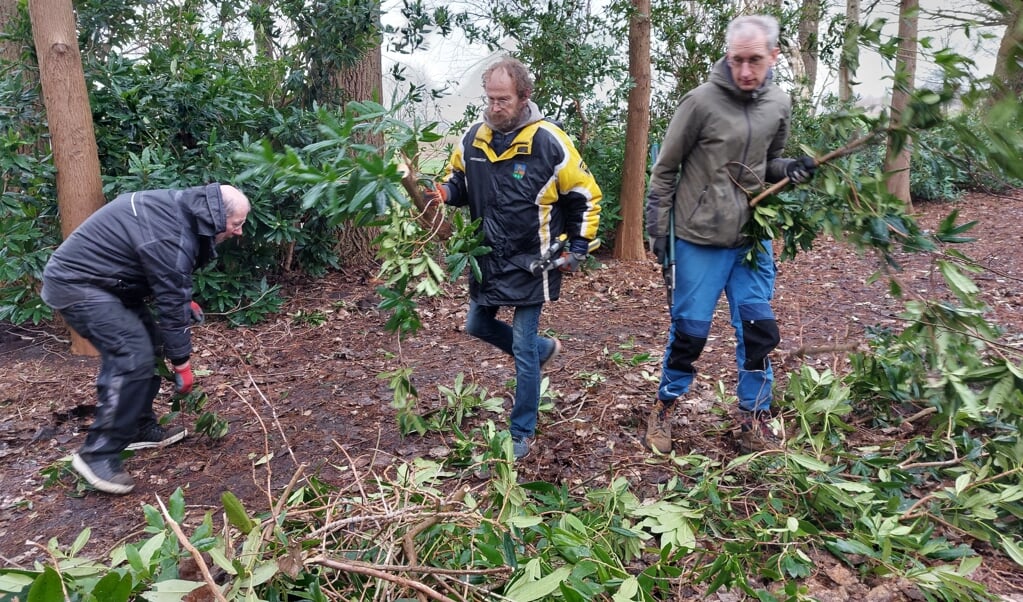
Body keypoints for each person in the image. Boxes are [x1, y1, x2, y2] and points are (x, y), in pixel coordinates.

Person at [643, 15, 816, 455]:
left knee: (759, 329)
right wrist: (658, 232)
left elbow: (769, 164)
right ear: (727, 55)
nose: (744, 71)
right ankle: (664, 405)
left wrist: (792, 170)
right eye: (737, 59)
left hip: (751, 238)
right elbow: (664, 171)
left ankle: (755, 416)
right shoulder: (699, 103)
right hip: (698, 238)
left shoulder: (778, 103)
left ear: (773, 56)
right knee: (690, 332)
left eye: (754, 60)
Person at [426, 57, 602, 460]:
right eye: (489, 99)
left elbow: (586, 197)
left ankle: (521, 431)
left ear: (524, 97)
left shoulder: (549, 141)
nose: (494, 106)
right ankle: (543, 351)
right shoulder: (473, 139)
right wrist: (443, 194)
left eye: (503, 99)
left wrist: (579, 247)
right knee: (476, 324)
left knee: (521, 347)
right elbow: (460, 183)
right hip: (487, 258)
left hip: (532, 262)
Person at [41, 183, 252, 494]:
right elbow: (169, 284)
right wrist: (182, 364)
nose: (239, 232)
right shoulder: (173, 232)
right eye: (237, 224)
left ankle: (137, 426)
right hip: (78, 284)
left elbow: (167, 278)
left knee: (150, 345)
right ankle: (97, 453)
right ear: (218, 215)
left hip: (111, 285)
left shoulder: (182, 213)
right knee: (132, 355)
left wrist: (183, 303)